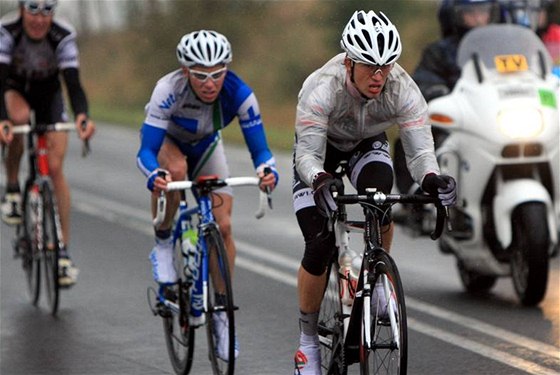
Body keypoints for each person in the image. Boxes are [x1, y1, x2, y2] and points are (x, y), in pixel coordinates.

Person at [291, 10, 457, 375]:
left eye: (386, 65)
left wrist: (431, 179)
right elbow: (307, 154)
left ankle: (378, 276)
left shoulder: (402, 88)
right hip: (321, 153)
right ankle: (307, 344)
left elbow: (420, 152)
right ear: (349, 63)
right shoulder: (321, 88)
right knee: (318, 243)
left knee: (379, 199)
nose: (379, 75)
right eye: (369, 66)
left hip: (367, 145)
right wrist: (319, 179)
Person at [136, 29, 278, 361]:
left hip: (206, 146)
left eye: (217, 73)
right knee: (177, 173)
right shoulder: (167, 90)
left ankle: (222, 314)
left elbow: (261, 150)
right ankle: (162, 244)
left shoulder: (240, 93)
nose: (210, 82)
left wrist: (267, 170)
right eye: (201, 75)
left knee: (224, 226)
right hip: (167, 144)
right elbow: (146, 151)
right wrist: (154, 174)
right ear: (186, 71)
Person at [0, 0, 95, 287]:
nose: (40, 19)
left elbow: (73, 83)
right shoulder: (7, 30)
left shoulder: (62, 34)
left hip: (49, 96)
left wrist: (82, 116)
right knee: (17, 120)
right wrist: (2, 120)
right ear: (21, 9)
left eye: (47, 11)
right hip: (14, 90)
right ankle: (14, 188)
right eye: (33, 10)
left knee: (55, 169)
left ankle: (62, 252)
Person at [393, 0, 498, 202]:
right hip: (463, 121)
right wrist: (437, 91)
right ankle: (423, 194)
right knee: (427, 138)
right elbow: (423, 81)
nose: (478, 18)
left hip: (496, 119)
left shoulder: (502, 49)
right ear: (454, 16)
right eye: (471, 13)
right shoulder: (439, 51)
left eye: (483, 12)